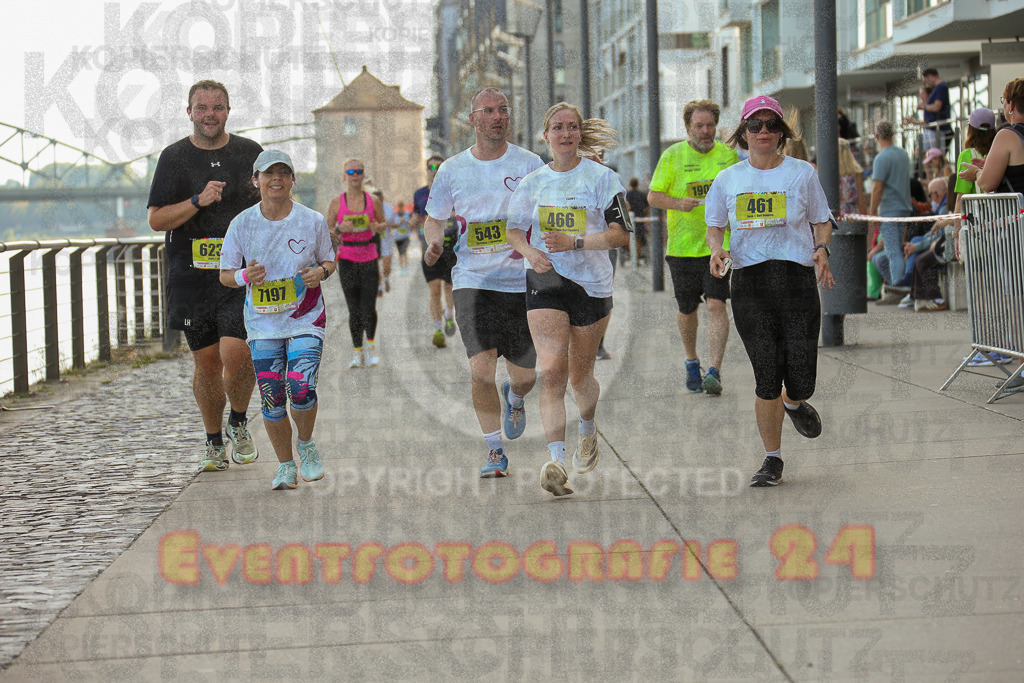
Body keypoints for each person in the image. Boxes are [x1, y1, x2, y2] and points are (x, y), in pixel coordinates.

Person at [705, 94, 835, 487]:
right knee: (766, 375)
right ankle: (772, 460)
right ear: (743, 133)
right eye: (755, 125)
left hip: (796, 282)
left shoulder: (802, 173)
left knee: (799, 376)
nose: (764, 132)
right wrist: (717, 249)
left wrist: (822, 248)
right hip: (750, 284)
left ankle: (795, 400)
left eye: (771, 125)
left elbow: (822, 220)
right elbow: (715, 226)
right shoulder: (729, 179)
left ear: (783, 132)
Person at [506, 102, 631, 497]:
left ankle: (588, 429)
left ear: (579, 134)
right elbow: (514, 231)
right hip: (546, 280)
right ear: (546, 136)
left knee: (581, 377)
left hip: (592, 285)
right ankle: (556, 461)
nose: (565, 134)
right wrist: (531, 253)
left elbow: (621, 235)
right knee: (553, 371)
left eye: (572, 127)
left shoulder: (603, 178)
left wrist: (575, 242)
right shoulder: (532, 184)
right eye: (557, 128)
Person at [423, 87, 545, 478]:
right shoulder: (453, 169)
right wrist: (433, 240)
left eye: (503, 110)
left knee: (524, 376)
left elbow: (547, 214)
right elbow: (434, 217)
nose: (497, 116)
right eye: (488, 111)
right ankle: (494, 451)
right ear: (472, 120)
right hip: (472, 280)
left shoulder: (529, 164)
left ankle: (517, 397)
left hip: (521, 281)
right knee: (480, 369)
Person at [147, 79, 263, 472]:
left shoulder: (250, 153)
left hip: (239, 274)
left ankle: (239, 421)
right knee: (208, 363)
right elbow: (156, 219)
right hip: (191, 275)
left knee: (240, 355)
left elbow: (274, 204)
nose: (209, 115)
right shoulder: (174, 157)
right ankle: (214, 441)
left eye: (217, 107)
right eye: (202, 108)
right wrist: (197, 201)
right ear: (189, 112)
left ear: (228, 111)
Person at [218, 150, 335, 489]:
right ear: (256, 181)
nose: (277, 179)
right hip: (263, 322)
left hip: (305, 317)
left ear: (293, 180)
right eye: (269, 174)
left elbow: (329, 261)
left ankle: (306, 444)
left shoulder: (311, 220)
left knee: (300, 387)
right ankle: (286, 465)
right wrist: (245, 276)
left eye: (284, 173)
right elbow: (225, 275)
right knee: (271, 395)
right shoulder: (242, 223)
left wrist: (320, 273)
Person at [648, 99, 739, 395]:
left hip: (718, 248)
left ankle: (714, 370)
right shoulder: (673, 156)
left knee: (716, 303)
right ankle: (691, 360)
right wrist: (677, 204)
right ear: (688, 128)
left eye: (710, 125)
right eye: (699, 126)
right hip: (683, 247)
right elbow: (653, 196)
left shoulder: (728, 157)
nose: (705, 131)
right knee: (687, 309)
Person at [327, 158, 386, 368]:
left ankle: (370, 347)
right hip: (347, 259)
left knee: (369, 307)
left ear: (363, 175)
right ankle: (356, 352)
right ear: (344, 176)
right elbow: (327, 233)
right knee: (353, 309)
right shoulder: (336, 202)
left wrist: (377, 227)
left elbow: (383, 223)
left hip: (369, 256)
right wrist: (340, 229)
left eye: (358, 172)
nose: (354, 176)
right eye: (350, 172)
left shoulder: (372, 201)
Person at [412, 155, 457, 348]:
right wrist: (412, 222)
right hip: (428, 246)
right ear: (427, 169)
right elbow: (415, 215)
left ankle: (449, 315)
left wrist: (440, 216)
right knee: (434, 288)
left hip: (451, 245)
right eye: (432, 166)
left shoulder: (452, 191)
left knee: (448, 287)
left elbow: (460, 213)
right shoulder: (420, 194)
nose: (435, 169)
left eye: (439, 166)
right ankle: (438, 329)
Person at [868, 120, 914, 305]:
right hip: (904, 207)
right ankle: (900, 287)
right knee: (897, 252)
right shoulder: (903, 154)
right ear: (893, 135)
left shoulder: (881, 158)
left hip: (889, 209)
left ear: (877, 137)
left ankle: (897, 289)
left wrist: (873, 213)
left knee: (893, 251)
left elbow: (877, 187)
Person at [970, 79, 1024, 195]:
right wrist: (991, 167)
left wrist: (977, 173)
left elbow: (987, 184)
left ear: (1011, 105)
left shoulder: (1007, 136)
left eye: (1003, 101)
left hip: (1016, 211)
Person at [918, 68, 954, 153]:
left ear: (930, 76)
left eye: (926, 80)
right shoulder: (938, 88)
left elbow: (937, 107)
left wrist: (924, 106)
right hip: (932, 127)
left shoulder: (941, 87)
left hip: (937, 128)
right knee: (924, 152)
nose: (926, 84)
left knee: (936, 154)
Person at [375, 189, 396, 295]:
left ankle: (386, 278)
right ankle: (379, 286)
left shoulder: (389, 209)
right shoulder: (370, 209)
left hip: (386, 240)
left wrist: (387, 224)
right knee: (376, 266)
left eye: (379, 199)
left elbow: (396, 224)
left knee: (386, 266)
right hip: (374, 241)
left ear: (382, 198)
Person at [838, 138, 866, 216]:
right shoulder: (856, 172)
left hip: (838, 214)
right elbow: (860, 197)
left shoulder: (833, 174)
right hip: (853, 214)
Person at [625, 177, 650, 264]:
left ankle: (633, 257)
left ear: (630, 184)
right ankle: (638, 257)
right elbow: (647, 208)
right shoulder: (641, 195)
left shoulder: (627, 195)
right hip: (639, 219)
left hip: (629, 219)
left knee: (630, 238)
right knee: (638, 239)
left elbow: (625, 207)